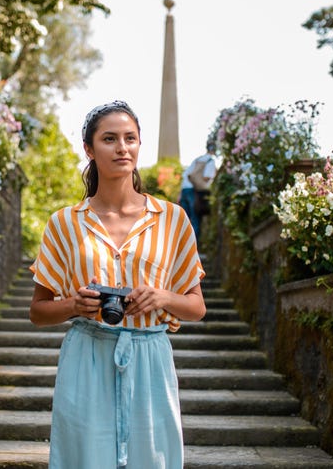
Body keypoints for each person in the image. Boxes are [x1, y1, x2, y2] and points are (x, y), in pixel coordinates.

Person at [29, 100, 207, 469]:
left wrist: (161, 296)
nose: (122, 147)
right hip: (87, 356)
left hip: (149, 359)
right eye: (109, 139)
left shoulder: (172, 219)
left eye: (130, 138)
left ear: (140, 146)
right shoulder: (64, 223)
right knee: (84, 460)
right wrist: (75, 305)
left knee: (152, 460)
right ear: (90, 150)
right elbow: (38, 312)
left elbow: (196, 307)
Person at [179, 142, 217, 240]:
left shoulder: (197, 159)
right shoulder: (210, 161)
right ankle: (192, 250)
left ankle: (179, 248)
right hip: (195, 191)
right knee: (195, 220)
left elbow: (186, 175)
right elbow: (206, 177)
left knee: (183, 220)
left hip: (185, 189)